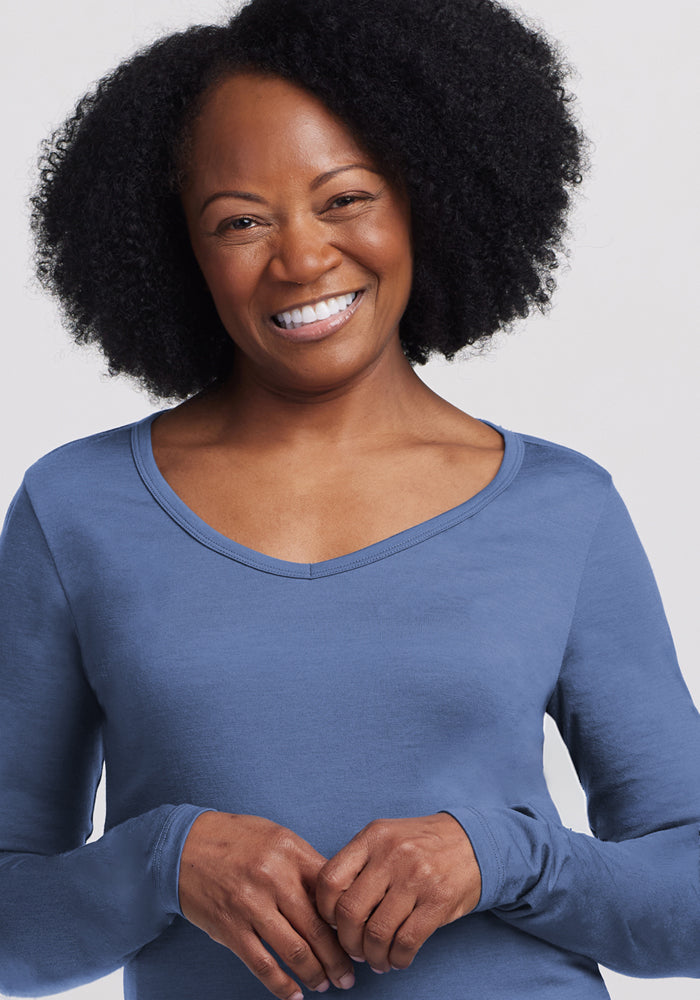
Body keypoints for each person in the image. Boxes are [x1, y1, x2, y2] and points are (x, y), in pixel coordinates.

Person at [1, 0, 699, 997]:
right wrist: (162, 862)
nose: (299, 258)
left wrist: (508, 855)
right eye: (240, 220)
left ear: (425, 197)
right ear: (180, 251)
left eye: (345, 198)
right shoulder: (74, 511)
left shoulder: (563, 510)